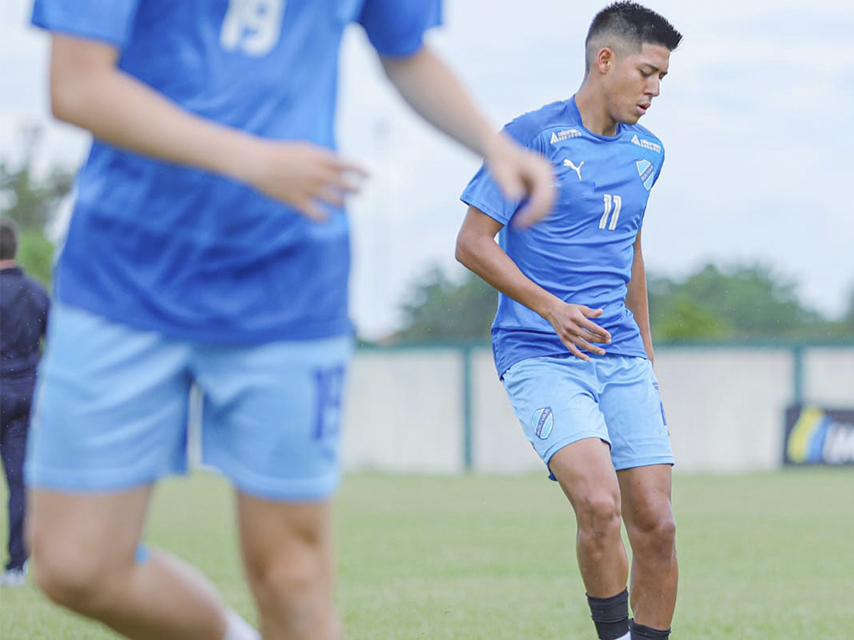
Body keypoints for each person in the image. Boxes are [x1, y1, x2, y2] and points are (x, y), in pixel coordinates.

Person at [26, 1, 555, 639]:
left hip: (286, 281)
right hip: (122, 276)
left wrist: (492, 145)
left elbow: (405, 47)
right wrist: (251, 160)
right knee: (74, 565)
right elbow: (78, 84)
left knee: (291, 577)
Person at [455, 3, 681, 638]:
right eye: (647, 72)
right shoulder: (529, 136)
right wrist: (551, 308)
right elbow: (472, 243)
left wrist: (646, 349)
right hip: (539, 350)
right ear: (604, 60)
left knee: (658, 523)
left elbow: (630, 247)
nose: (655, 90)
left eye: (663, 77)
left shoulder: (649, 152)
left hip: (622, 356)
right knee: (599, 504)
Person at [0, 219, 49, 588]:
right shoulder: (35, 292)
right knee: (20, 484)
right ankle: (17, 566)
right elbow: (60, 345)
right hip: (25, 396)